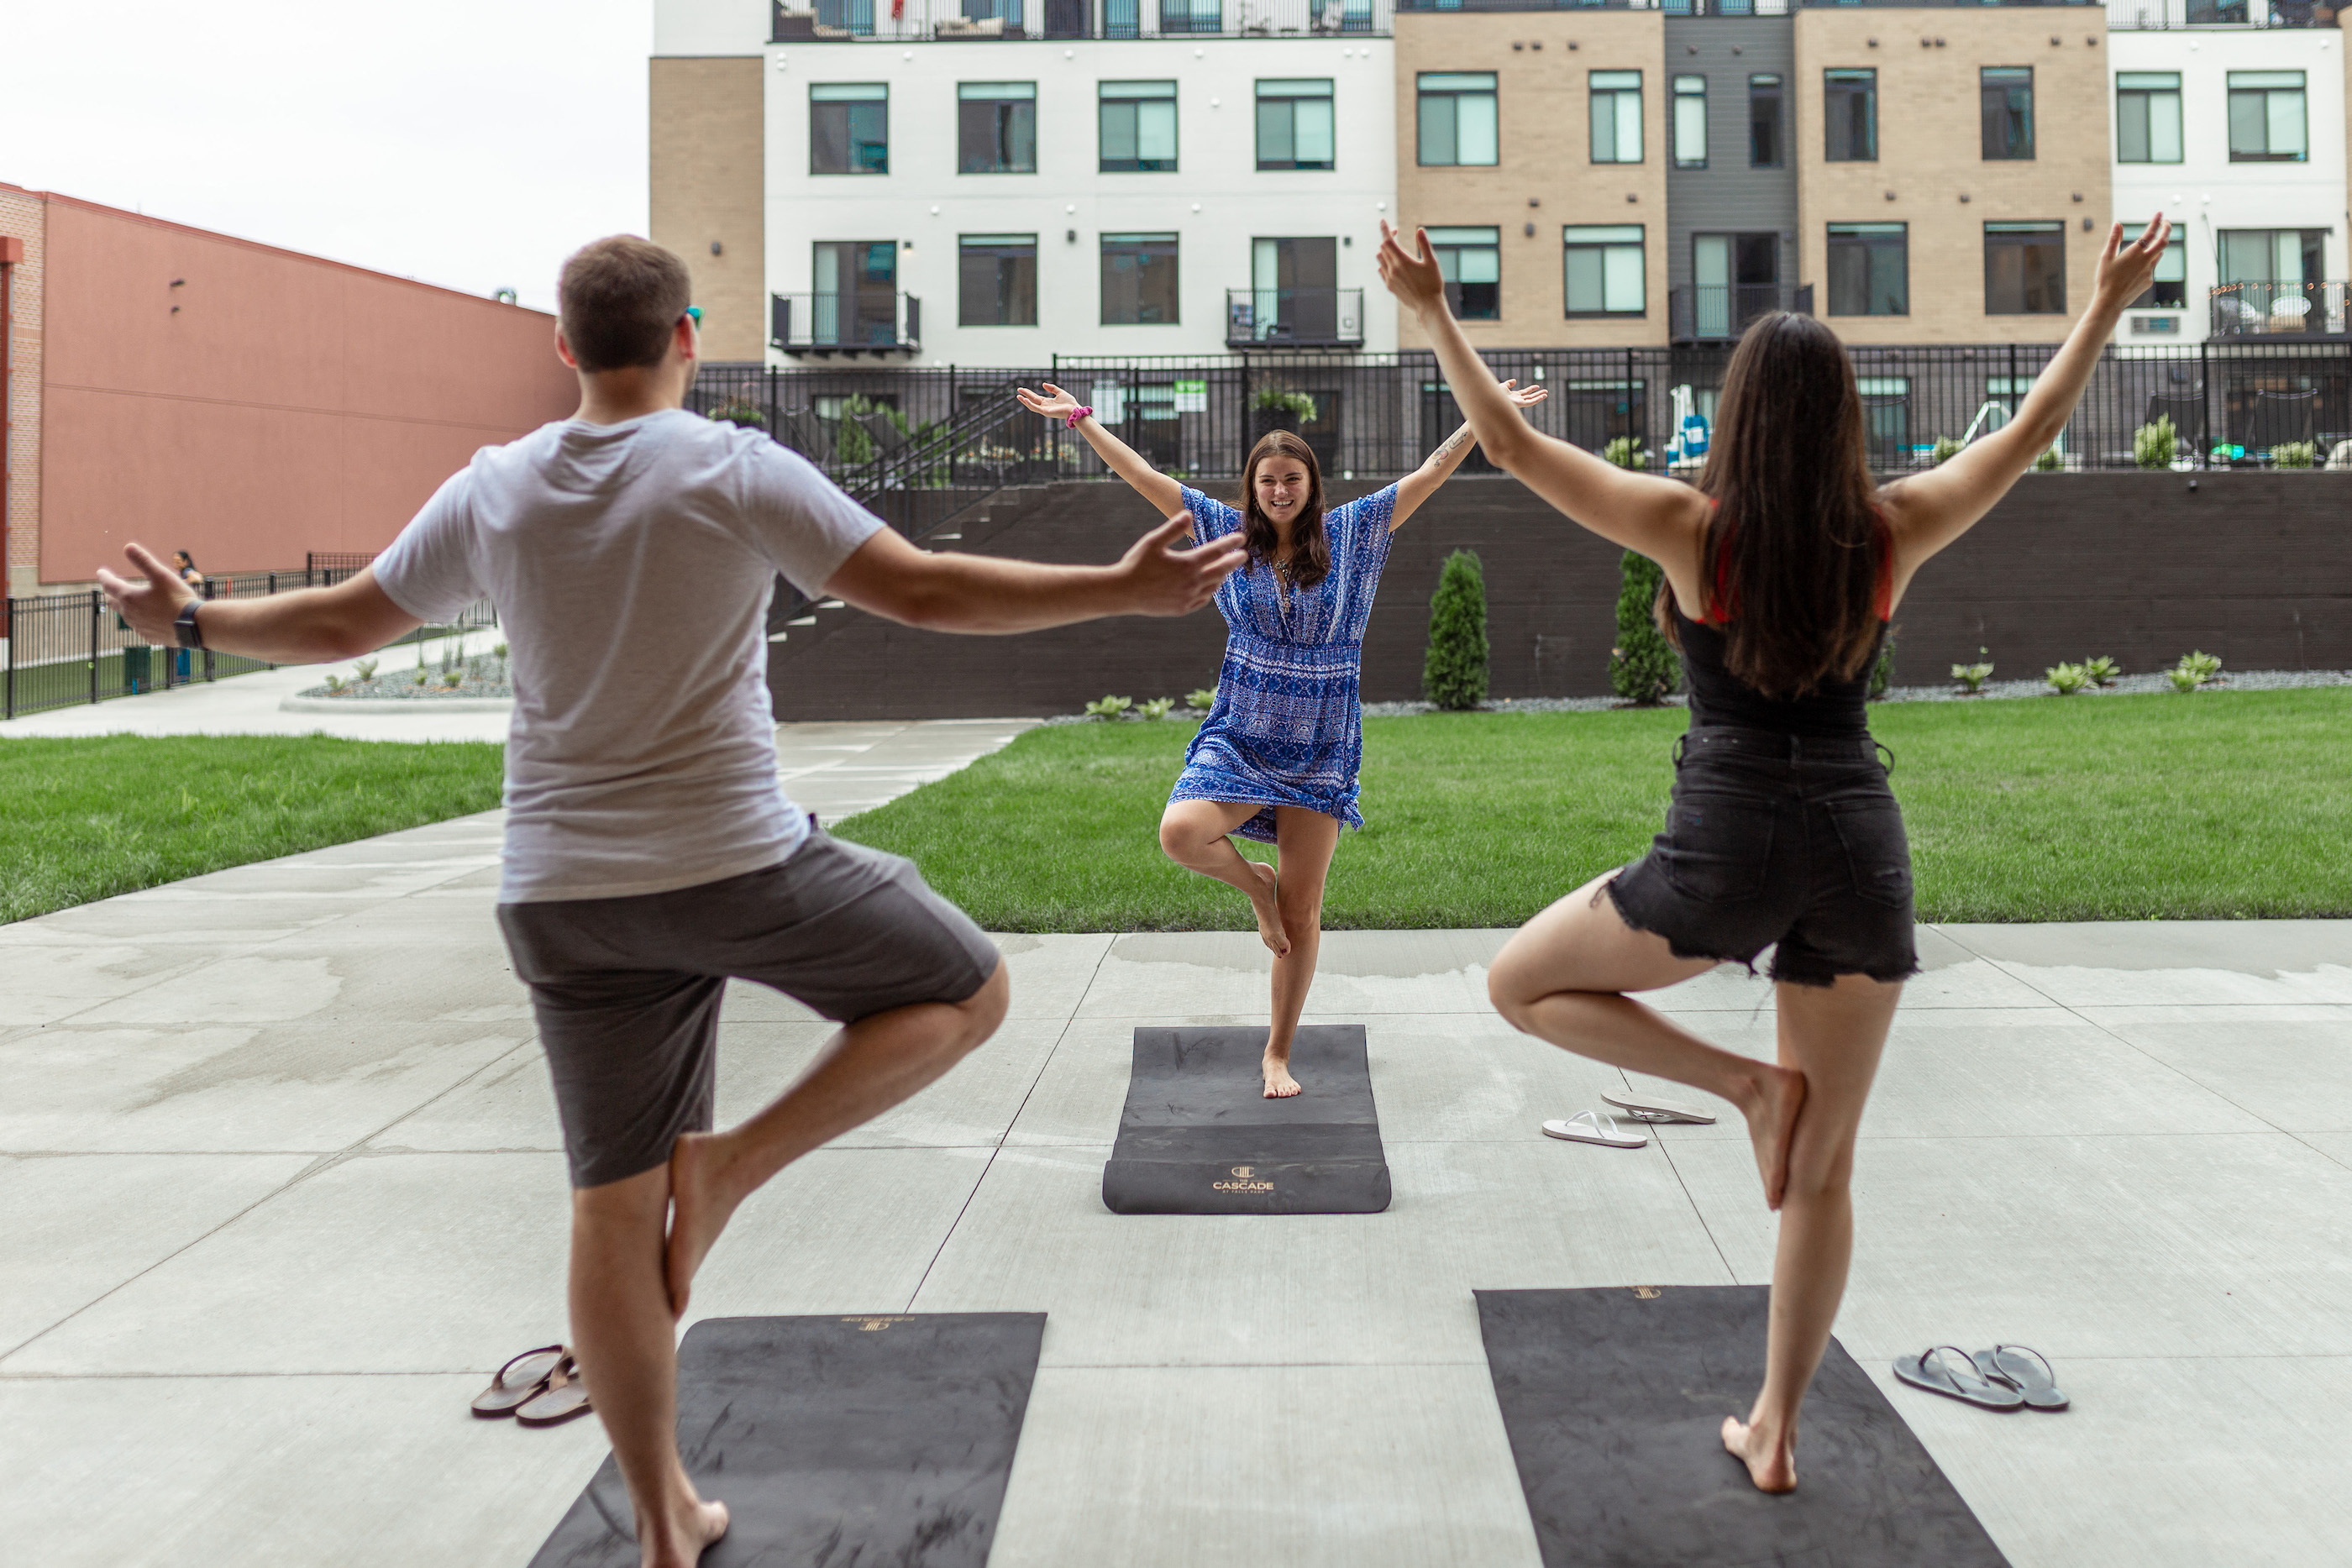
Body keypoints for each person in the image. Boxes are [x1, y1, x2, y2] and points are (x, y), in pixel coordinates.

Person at [99, 234, 1244, 1568]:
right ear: (688, 335)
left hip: (563, 896)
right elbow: (919, 588)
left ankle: (662, 1519)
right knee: (967, 985)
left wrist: (191, 622)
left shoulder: (496, 488)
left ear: (563, 346)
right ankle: (737, 1163)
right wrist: (1117, 586)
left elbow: (347, 622)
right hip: (736, 860)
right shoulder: (731, 467)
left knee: (606, 1207)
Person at [1377, 214, 2171, 1492]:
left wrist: (1432, 311)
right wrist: (2108, 303)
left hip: (1726, 843)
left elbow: (1515, 446)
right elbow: (2025, 433)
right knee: (1827, 1168)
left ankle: (1744, 1088)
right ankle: (1778, 1431)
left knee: (1521, 981)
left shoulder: (1693, 529)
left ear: (1738, 413)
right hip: (1860, 844)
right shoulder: (1892, 526)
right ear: (1845, 416)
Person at [1015, 377, 1546, 1098]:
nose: (1279, 490)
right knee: (1181, 831)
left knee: (1303, 913)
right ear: (1253, 487)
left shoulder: (1356, 531)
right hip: (1242, 730)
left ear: (1310, 483)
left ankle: (1277, 1052)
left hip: (1322, 741)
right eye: (1267, 480)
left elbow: (1427, 474)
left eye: (1291, 478)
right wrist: (1080, 420)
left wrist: (1483, 418)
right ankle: (1253, 887)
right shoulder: (1224, 530)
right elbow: (1145, 475)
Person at [171, 552, 203, 679]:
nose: (176, 564)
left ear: (185, 562)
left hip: (186, 612)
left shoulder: (187, 572)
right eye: (174, 561)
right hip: (183, 611)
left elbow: (198, 578)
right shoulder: (180, 574)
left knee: (182, 642)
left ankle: (183, 674)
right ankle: (182, 673)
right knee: (181, 643)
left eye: (179, 561)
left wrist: (183, 583)